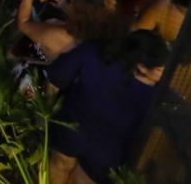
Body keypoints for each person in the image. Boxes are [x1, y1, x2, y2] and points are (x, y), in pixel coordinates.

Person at [47, 31, 170, 184]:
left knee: (60, 165)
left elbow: (56, 79)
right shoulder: (156, 99)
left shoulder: (95, 52)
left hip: (71, 129)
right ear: (142, 67)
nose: (166, 73)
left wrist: (47, 112)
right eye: (160, 69)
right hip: (108, 153)